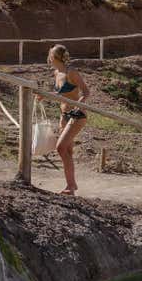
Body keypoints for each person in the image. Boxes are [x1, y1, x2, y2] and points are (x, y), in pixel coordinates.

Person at [40, 45, 90, 195]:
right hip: (64, 115)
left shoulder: (71, 72)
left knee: (60, 147)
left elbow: (86, 92)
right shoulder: (56, 73)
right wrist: (45, 95)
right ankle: (71, 187)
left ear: (54, 57)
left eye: (50, 55)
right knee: (67, 150)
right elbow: (59, 94)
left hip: (77, 115)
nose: (48, 58)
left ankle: (72, 185)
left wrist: (78, 105)